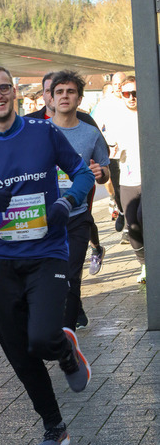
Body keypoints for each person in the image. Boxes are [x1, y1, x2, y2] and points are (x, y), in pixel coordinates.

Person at [0, 65, 94, 445]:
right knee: (18, 350)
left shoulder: (44, 132)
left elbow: (83, 175)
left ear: (14, 92)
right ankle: (54, 427)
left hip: (47, 253)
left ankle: (64, 350)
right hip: (1, 259)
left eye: (3, 88)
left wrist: (67, 201)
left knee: (41, 338)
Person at [50, 70, 110, 332]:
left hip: (77, 216)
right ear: (51, 98)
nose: (65, 96)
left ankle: (68, 333)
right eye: (59, 92)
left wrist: (101, 173)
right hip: (44, 217)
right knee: (50, 277)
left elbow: (105, 171)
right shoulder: (37, 132)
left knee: (71, 276)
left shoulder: (91, 134)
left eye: (70, 92)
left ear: (79, 98)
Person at [118, 76, 145, 283]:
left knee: (144, 217)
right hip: (127, 178)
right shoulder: (114, 116)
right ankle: (144, 264)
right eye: (127, 93)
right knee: (132, 225)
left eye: (134, 93)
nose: (131, 97)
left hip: (148, 178)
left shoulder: (149, 112)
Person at [93, 72, 127, 228]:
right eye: (115, 84)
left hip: (132, 151)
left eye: (121, 84)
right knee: (117, 186)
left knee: (132, 186)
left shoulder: (132, 99)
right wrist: (106, 145)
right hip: (114, 152)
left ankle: (130, 221)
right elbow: (96, 128)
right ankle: (122, 212)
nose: (118, 87)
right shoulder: (105, 104)